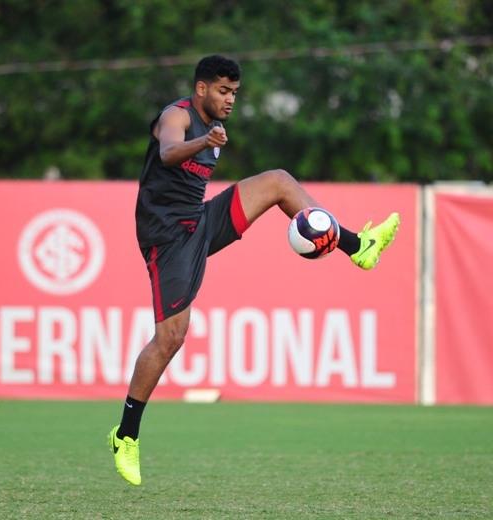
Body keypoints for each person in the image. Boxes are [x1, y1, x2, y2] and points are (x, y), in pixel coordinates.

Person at [107, 55, 400, 485]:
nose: (230, 100)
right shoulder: (177, 116)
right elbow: (169, 153)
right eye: (223, 91)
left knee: (279, 181)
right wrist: (204, 140)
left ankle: (359, 247)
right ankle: (125, 435)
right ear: (202, 88)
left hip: (199, 222)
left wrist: (211, 140)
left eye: (235, 93)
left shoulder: (216, 129)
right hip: (167, 238)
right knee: (171, 337)